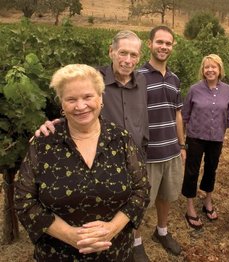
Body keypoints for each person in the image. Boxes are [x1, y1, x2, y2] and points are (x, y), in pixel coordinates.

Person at [34, 30, 152, 261]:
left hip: (130, 158)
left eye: (134, 55)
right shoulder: (92, 80)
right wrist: (49, 126)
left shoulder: (142, 81)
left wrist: (143, 143)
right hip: (90, 156)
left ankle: (135, 242)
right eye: (123, 53)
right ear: (111, 51)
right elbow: (75, 105)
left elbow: (142, 117)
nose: (128, 60)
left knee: (128, 199)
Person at [137, 25, 185, 256]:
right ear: (150, 44)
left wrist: (182, 145)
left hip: (171, 151)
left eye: (168, 43)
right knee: (141, 202)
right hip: (148, 154)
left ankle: (162, 231)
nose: (164, 47)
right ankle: (135, 243)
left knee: (166, 196)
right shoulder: (137, 77)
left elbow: (177, 113)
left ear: (172, 47)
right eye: (160, 42)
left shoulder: (175, 79)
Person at [181, 54, 229, 229]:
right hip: (195, 137)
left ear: (220, 70)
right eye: (207, 67)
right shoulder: (194, 89)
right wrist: (182, 141)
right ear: (203, 70)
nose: (210, 70)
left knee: (211, 170)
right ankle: (190, 206)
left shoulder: (228, 90)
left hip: (216, 138)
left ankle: (207, 202)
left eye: (214, 67)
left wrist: (220, 132)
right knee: (192, 171)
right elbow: (184, 116)